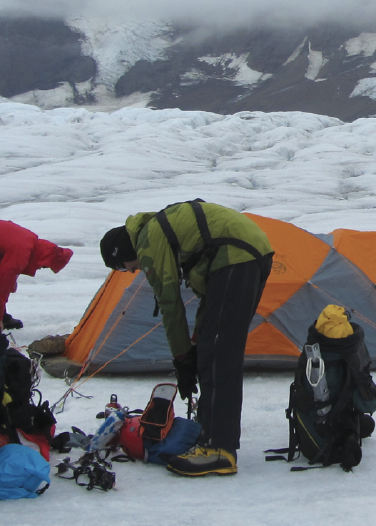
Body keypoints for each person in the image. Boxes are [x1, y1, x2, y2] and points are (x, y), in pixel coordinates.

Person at [100, 200, 273, 477]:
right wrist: (194, 344)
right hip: (251, 253)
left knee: (219, 354)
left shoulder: (147, 239)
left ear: (122, 253)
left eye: (124, 267)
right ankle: (208, 432)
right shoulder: (161, 231)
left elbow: (169, 302)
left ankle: (219, 449)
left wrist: (182, 359)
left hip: (236, 255)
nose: (133, 271)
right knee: (212, 347)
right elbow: (209, 298)